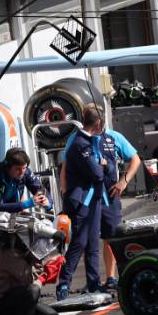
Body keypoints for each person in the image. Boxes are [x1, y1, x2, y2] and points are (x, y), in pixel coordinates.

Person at [61, 118, 140, 290]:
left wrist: (123, 182)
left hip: (110, 196)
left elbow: (135, 159)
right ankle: (84, 282)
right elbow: (66, 165)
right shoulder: (76, 140)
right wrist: (65, 190)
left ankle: (112, 276)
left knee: (112, 236)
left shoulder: (114, 137)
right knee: (86, 241)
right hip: (88, 198)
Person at [56, 106, 110, 299]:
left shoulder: (90, 142)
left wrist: (103, 166)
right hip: (81, 200)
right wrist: (102, 167)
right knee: (80, 241)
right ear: (98, 124)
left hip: (93, 198)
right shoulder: (80, 144)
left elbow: (102, 170)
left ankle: (94, 282)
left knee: (93, 242)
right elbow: (96, 174)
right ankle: (64, 282)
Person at [0, 219, 65, 315]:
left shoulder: (26, 254)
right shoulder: (11, 254)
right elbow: (31, 288)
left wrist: (51, 264)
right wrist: (45, 275)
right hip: (0, 305)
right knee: (32, 291)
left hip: (18, 302)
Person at [0, 148, 50, 279]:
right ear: (8, 166)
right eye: (18, 169)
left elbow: (40, 189)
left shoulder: (24, 171)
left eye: (24, 168)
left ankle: (20, 290)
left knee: (22, 252)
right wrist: (25, 204)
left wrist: (46, 200)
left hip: (10, 218)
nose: (22, 173)